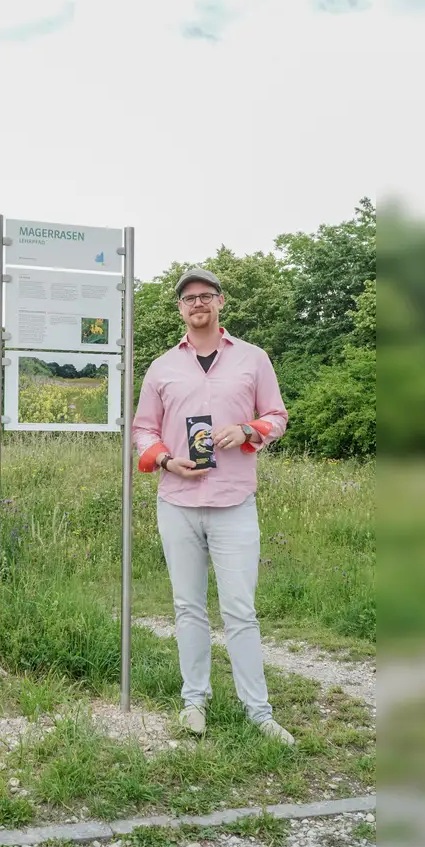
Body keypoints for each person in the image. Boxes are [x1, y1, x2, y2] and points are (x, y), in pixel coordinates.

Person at [131, 267, 295, 744]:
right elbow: (143, 429)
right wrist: (165, 459)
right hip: (178, 501)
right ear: (180, 309)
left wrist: (248, 431)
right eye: (188, 298)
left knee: (240, 609)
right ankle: (194, 701)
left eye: (206, 296)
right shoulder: (162, 367)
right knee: (188, 607)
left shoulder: (252, 358)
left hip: (234, 501)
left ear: (221, 302)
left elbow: (277, 416)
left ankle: (258, 712)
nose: (197, 303)